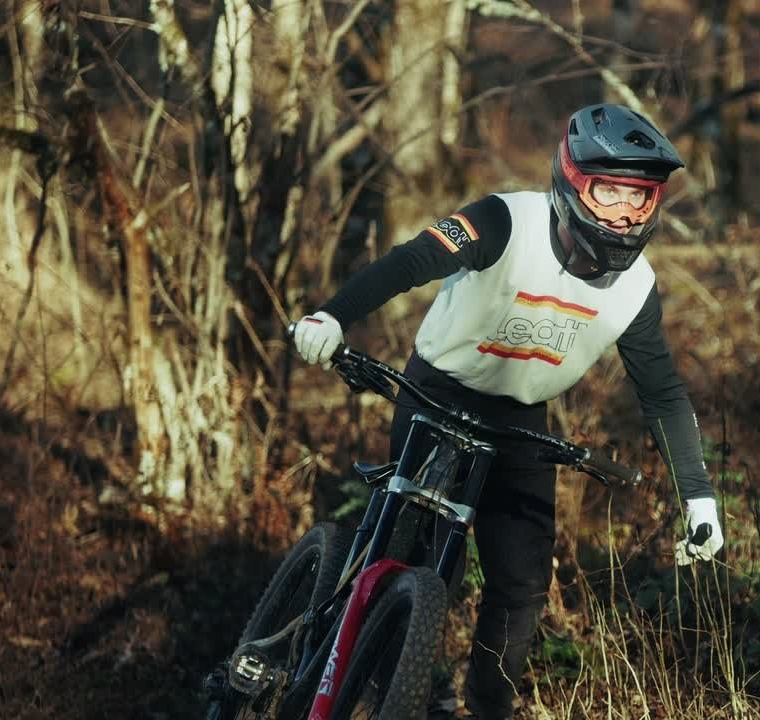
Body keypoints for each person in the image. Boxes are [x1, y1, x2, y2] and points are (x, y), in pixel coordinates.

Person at [292, 103, 724, 719]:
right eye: (609, 193)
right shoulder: (501, 220)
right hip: (437, 391)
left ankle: (486, 710)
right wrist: (332, 315)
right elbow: (411, 261)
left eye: (642, 198)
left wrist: (698, 496)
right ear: (573, 182)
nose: (626, 214)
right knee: (414, 559)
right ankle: (400, 687)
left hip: (522, 421)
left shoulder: (636, 288)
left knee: (521, 585)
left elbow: (662, 393)